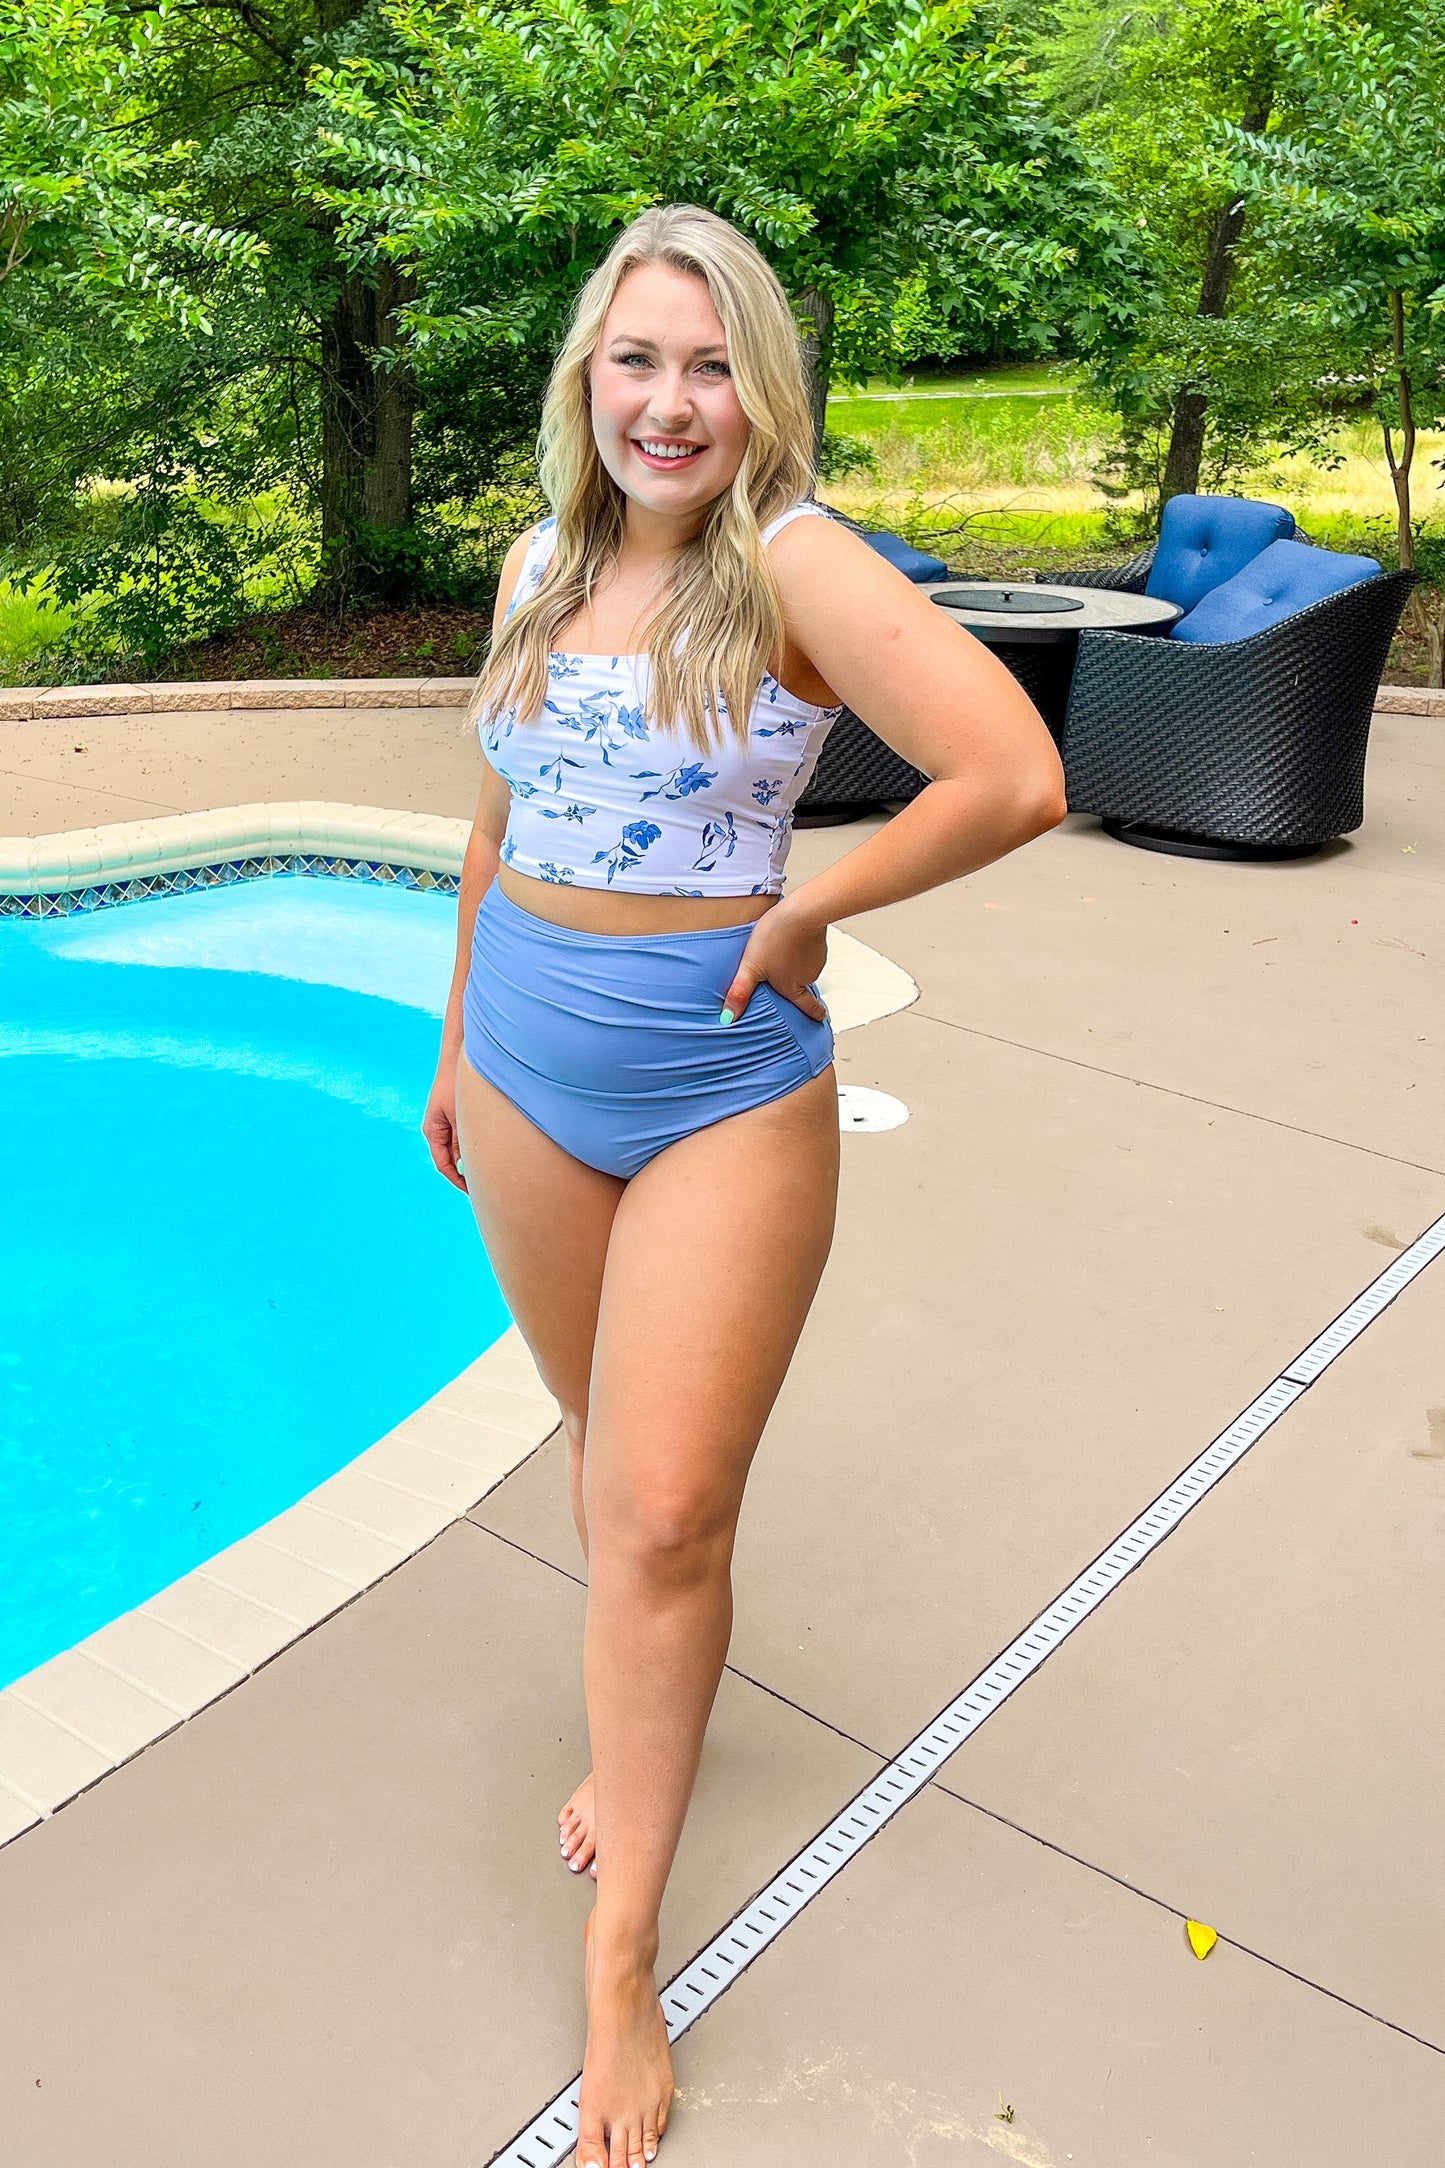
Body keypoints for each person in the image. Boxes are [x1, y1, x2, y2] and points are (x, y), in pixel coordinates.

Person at [422, 202, 1064, 2168]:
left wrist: (809, 908)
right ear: (587, 378)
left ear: (756, 384)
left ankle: (622, 1955)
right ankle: (638, 1743)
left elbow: (1008, 771)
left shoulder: (785, 560)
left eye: (710, 363)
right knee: (602, 1443)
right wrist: (452, 1041)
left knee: (671, 1503)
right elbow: (497, 809)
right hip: (523, 1061)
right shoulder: (541, 557)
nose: (670, 400)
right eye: (637, 358)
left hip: (718, 1085)